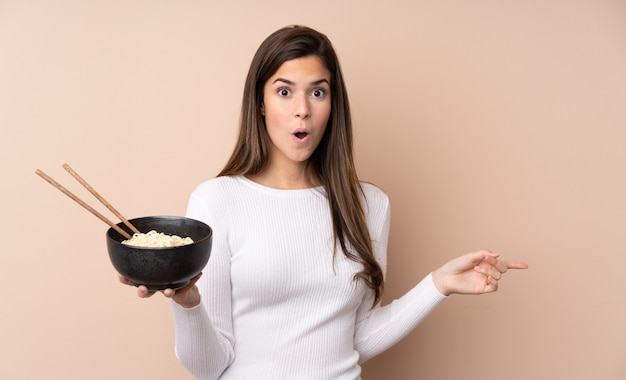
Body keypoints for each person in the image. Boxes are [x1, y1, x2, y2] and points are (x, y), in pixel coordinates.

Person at [119, 25, 528, 379]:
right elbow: (209, 368)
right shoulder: (218, 199)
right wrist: (188, 300)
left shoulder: (368, 204)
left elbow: (356, 338)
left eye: (318, 92)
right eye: (284, 92)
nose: (302, 111)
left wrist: (437, 284)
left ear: (333, 105)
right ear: (260, 104)